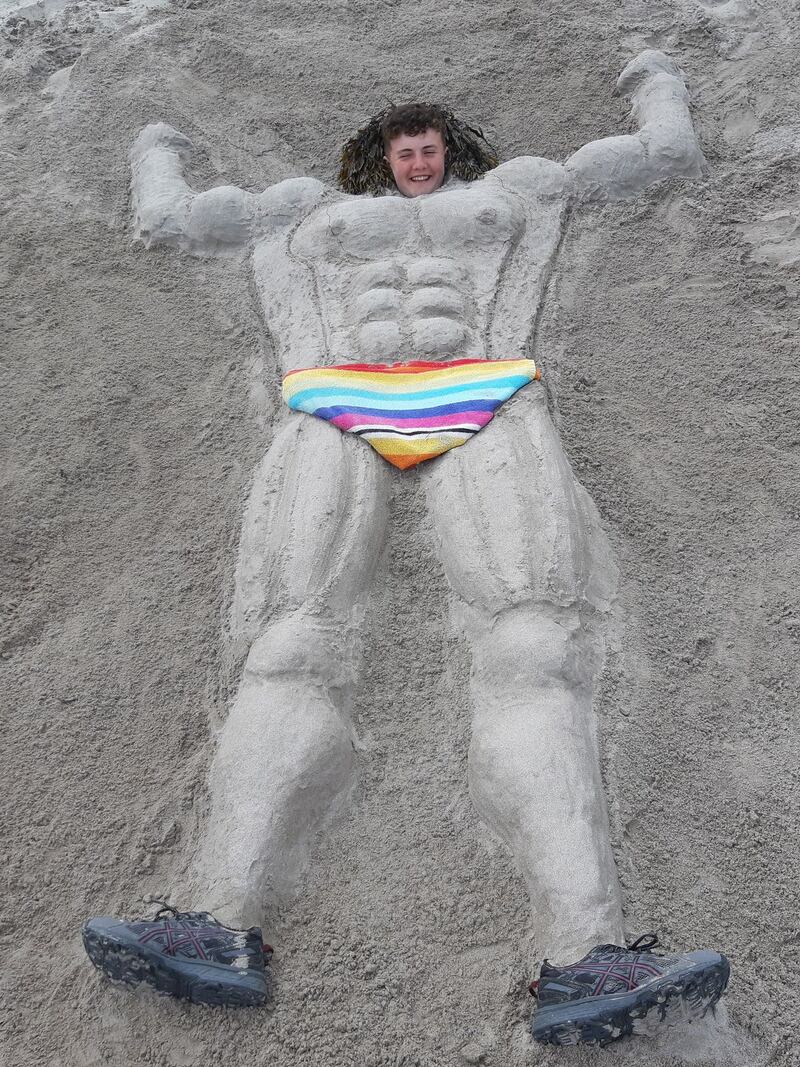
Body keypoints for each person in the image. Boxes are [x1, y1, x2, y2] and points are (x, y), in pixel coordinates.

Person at [83, 51, 730, 1045]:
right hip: (334, 397)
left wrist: (657, 85)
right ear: (379, 155)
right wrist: (152, 148)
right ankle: (217, 917)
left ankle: (586, 947)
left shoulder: (518, 194)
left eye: (428, 147)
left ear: (448, 148)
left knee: (531, 645)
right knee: (289, 644)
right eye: (403, 149)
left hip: (484, 388)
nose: (417, 161)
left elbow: (659, 159)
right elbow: (171, 222)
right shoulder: (300, 212)